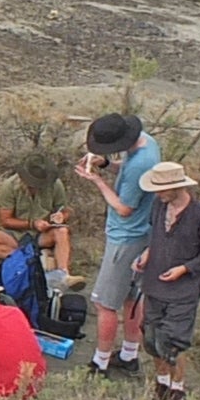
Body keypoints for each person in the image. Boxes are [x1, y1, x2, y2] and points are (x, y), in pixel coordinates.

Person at [131, 162, 200, 400]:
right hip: (154, 286)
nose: (158, 194)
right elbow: (156, 237)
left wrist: (185, 269)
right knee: (151, 340)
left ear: (176, 187)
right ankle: (161, 386)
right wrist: (147, 256)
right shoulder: (159, 206)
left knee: (173, 342)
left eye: (162, 189)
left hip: (183, 291)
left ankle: (177, 391)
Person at [76, 113, 161, 381]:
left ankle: (99, 362)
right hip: (144, 234)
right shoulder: (147, 143)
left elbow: (124, 208)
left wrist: (98, 182)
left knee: (105, 303)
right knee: (131, 298)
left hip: (126, 238)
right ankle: (129, 354)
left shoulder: (140, 164)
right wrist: (106, 164)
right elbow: (129, 173)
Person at [0, 153, 73, 282]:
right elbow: (5, 220)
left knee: (62, 232)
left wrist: (60, 217)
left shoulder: (55, 184)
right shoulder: (10, 186)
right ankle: (34, 261)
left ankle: (63, 275)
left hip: (44, 233)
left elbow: (65, 211)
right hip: (17, 235)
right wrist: (32, 224)